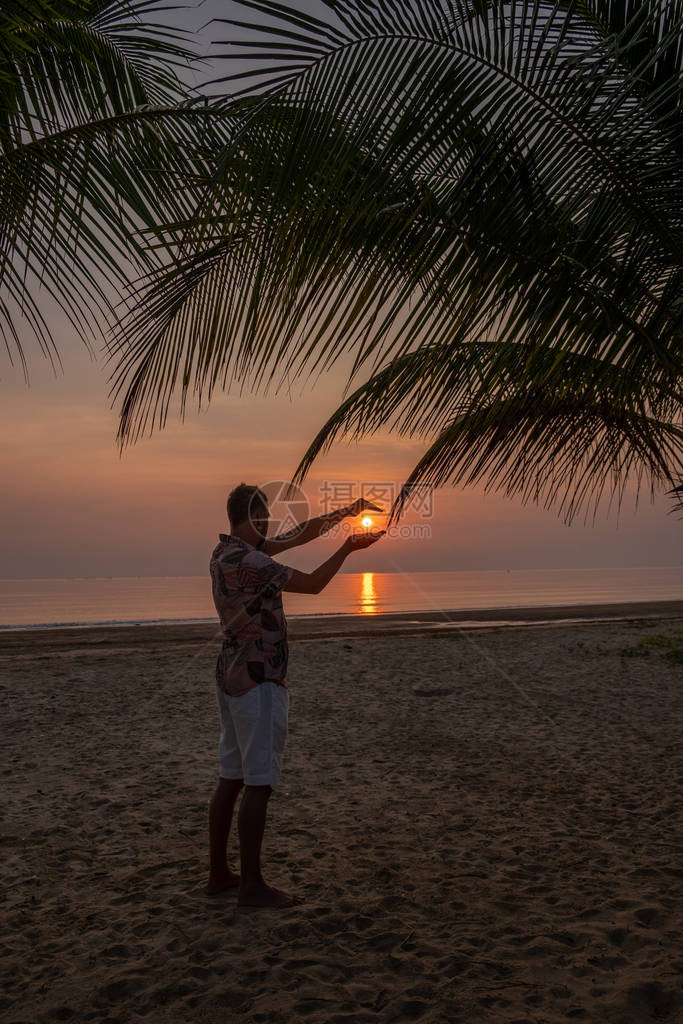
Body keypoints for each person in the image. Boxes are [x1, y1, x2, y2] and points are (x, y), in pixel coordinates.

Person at [207, 482, 384, 908]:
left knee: (231, 777)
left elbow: (297, 535)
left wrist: (346, 511)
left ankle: (218, 874)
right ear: (257, 517)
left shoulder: (223, 554)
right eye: (265, 517)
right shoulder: (255, 562)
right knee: (259, 783)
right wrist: (347, 549)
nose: (271, 525)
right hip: (260, 679)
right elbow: (315, 583)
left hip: (229, 677)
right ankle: (251, 885)